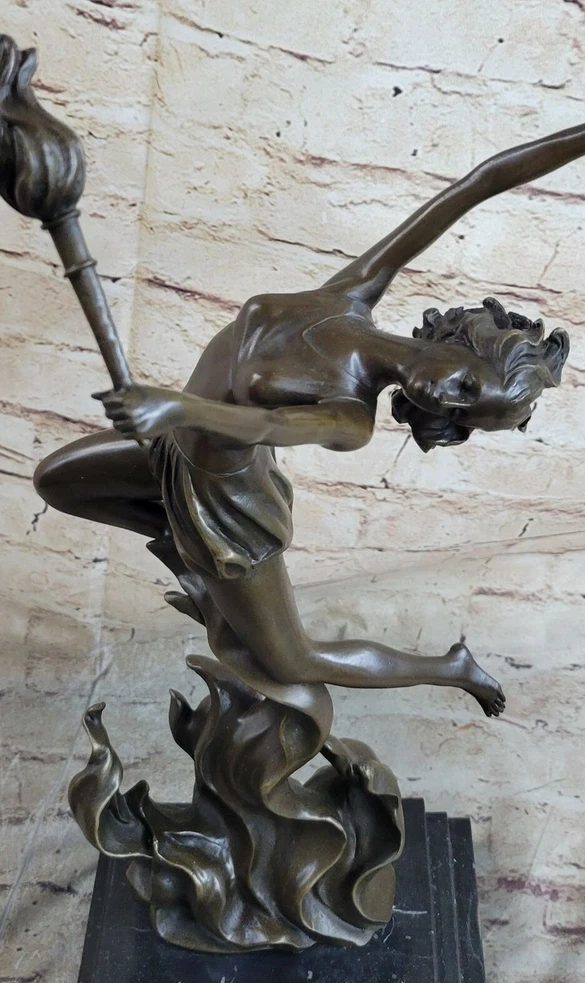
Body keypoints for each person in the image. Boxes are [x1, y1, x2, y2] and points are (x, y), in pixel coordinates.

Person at [36, 122, 583, 716]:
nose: (445, 398)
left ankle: (450, 668)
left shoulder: (352, 417)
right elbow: (480, 183)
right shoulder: (352, 293)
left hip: (228, 505)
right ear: (467, 344)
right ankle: (183, 545)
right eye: (466, 384)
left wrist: (177, 406)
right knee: (57, 482)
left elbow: (271, 427)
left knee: (292, 661)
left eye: (459, 412)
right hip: (173, 449)